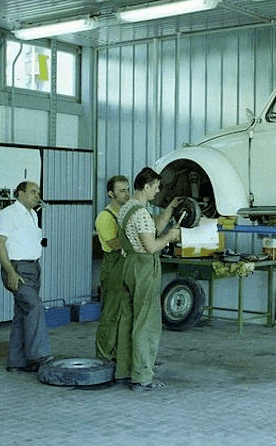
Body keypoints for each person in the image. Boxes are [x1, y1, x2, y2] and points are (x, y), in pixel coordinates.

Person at [117, 167, 181, 391]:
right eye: (155, 187)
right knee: (147, 323)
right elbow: (151, 244)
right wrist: (170, 237)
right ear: (146, 186)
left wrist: (170, 209)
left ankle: (124, 371)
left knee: (128, 319)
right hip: (144, 267)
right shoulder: (141, 213)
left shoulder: (127, 208)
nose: (157, 191)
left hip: (128, 265)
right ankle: (142, 377)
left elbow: (151, 227)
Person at [0, 181, 53, 372]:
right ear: (20, 193)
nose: (37, 196)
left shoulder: (33, 214)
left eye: (38, 193)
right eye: (33, 192)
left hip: (33, 268)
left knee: (22, 314)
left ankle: (16, 362)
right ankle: (41, 355)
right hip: (17, 269)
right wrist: (11, 272)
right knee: (34, 307)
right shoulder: (7, 214)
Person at [94, 175, 130, 371]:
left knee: (124, 312)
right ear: (111, 193)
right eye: (122, 190)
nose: (126, 193)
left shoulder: (127, 213)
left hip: (126, 264)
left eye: (127, 189)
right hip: (114, 264)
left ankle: (118, 354)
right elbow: (114, 244)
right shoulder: (105, 217)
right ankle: (103, 357)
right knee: (110, 313)